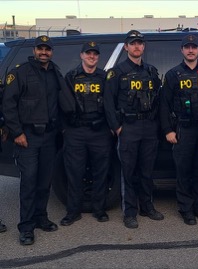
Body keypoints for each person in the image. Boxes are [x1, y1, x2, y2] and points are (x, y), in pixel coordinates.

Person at [2, 35, 64, 245]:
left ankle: (40, 217)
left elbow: (63, 101)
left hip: (49, 136)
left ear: (51, 51)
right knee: (29, 183)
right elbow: (8, 105)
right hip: (27, 137)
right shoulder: (21, 73)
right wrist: (17, 132)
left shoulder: (55, 72)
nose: (44, 52)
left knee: (44, 181)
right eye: (40, 49)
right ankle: (26, 227)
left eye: (47, 49)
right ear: (35, 50)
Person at [104, 30, 163, 229]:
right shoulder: (117, 72)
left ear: (143, 47)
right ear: (126, 47)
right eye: (133, 43)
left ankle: (147, 207)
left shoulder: (151, 71)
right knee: (128, 173)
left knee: (147, 171)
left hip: (149, 127)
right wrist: (117, 128)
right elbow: (108, 103)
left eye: (140, 43)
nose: (137, 46)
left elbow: (158, 99)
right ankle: (130, 212)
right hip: (128, 128)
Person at [160, 34, 198, 225]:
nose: (191, 50)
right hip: (183, 128)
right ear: (182, 50)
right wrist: (168, 130)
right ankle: (186, 209)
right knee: (183, 170)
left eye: (194, 47)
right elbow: (164, 105)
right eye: (187, 47)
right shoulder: (173, 75)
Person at [59, 41, 114, 226]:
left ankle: (99, 209)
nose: (92, 56)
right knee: (75, 172)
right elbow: (62, 104)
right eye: (88, 53)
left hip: (100, 131)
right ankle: (73, 211)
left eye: (95, 54)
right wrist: (66, 129)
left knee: (101, 172)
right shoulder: (71, 77)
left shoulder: (104, 77)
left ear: (98, 57)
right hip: (76, 131)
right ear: (82, 55)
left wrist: (111, 127)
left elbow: (110, 105)